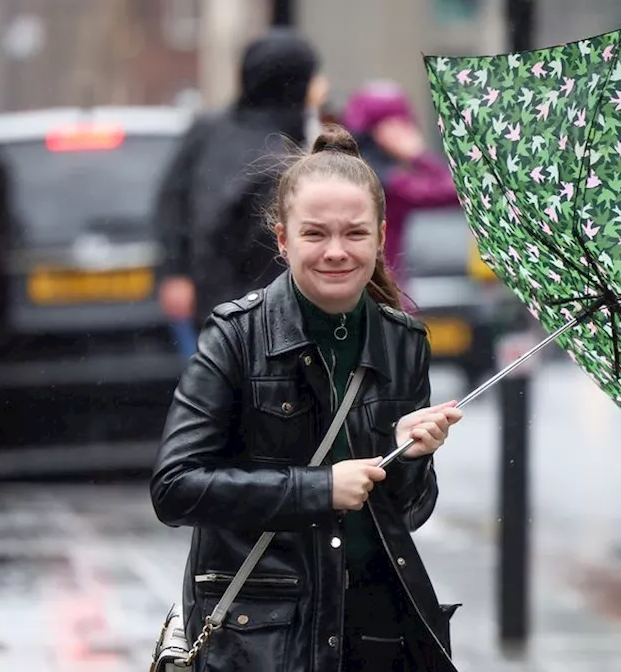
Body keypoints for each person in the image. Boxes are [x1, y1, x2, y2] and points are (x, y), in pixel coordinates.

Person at [150, 123, 465, 671]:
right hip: (265, 641)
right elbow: (175, 489)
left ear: (381, 236)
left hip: (373, 633)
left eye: (356, 234)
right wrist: (317, 490)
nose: (337, 252)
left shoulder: (404, 342)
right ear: (283, 239)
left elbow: (410, 515)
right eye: (316, 234)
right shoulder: (236, 337)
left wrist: (412, 458)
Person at [154, 28, 329, 358]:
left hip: (262, 300)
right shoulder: (218, 134)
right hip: (228, 295)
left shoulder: (297, 136)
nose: (320, 86)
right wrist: (175, 271)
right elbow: (175, 204)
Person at [340, 80, 460, 286]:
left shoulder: (348, 169)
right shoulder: (382, 181)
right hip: (377, 292)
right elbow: (458, 192)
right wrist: (419, 155)